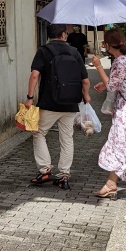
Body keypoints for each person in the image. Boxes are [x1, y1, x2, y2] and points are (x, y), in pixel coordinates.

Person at [25, 24, 90, 190]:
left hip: (49, 102)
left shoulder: (43, 51)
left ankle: (45, 169)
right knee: (67, 138)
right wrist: (86, 95)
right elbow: (85, 80)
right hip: (71, 104)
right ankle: (64, 176)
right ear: (63, 35)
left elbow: (34, 75)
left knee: (39, 133)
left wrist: (30, 98)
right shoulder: (74, 52)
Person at [90, 28, 126, 207]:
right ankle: (111, 184)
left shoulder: (120, 62)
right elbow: (117, 84)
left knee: (125, 149)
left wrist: (98, 66)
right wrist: (104, 84)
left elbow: (113, 86)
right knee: (120, 146)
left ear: (107, 45)